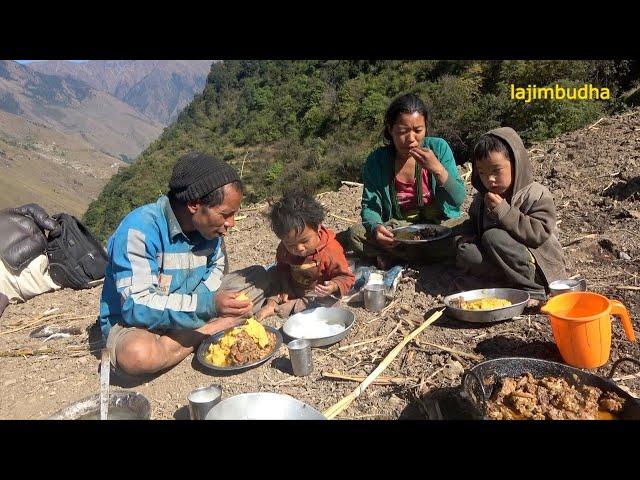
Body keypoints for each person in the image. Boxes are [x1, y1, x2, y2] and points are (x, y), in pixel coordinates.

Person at [98, 152, 270, 376]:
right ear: (194, 204)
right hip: (140, 323)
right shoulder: (139, 230)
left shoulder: (210, 232)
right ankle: (209, 330)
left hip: (189, 306)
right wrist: (208, 307)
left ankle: (188, 334)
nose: (231, 224)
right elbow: (136, 307)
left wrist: (210, 300)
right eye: (225, 214)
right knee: (136, 355)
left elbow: (215, 271)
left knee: (260, 276)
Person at [346, 93, 467, 267]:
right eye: (403, 131)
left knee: (467, 225)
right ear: (390, 129)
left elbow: (458, 199)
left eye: (418, 131)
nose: (411, 139)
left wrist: (437, 169)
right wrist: (376, 228)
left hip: (438, 228)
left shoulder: (439, 148)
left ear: (426, 127)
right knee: (355, 234)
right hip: (400, 232)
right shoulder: (377, 160)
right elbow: (370, 206)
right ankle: (424, 256)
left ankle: (400, 258)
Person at [455, 127, 567, 300]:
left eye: (496, 171)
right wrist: (465, 236)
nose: (489, 179)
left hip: (539, 264)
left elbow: (538, 233)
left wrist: (504, 211)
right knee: (467, 253)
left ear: (516, 164)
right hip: (503, 259)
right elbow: (474, 223)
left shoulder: (535, 194)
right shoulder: (483, 199)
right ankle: (508, 282)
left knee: (494, 237)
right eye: (482, 173)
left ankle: (535, 289)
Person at [256, 191, 355, 319]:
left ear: (318, 228)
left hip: (315, 293)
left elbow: (346, 278)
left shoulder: (331, 250)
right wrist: (285, 288)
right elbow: (282, 268)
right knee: (271, 275)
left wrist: (334, 285)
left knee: (327, 301)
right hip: (292, 287)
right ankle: (271, 304)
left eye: (305, 241)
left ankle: (286, 307)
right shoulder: (284, 248)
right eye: (290, 245)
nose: (299, 248)